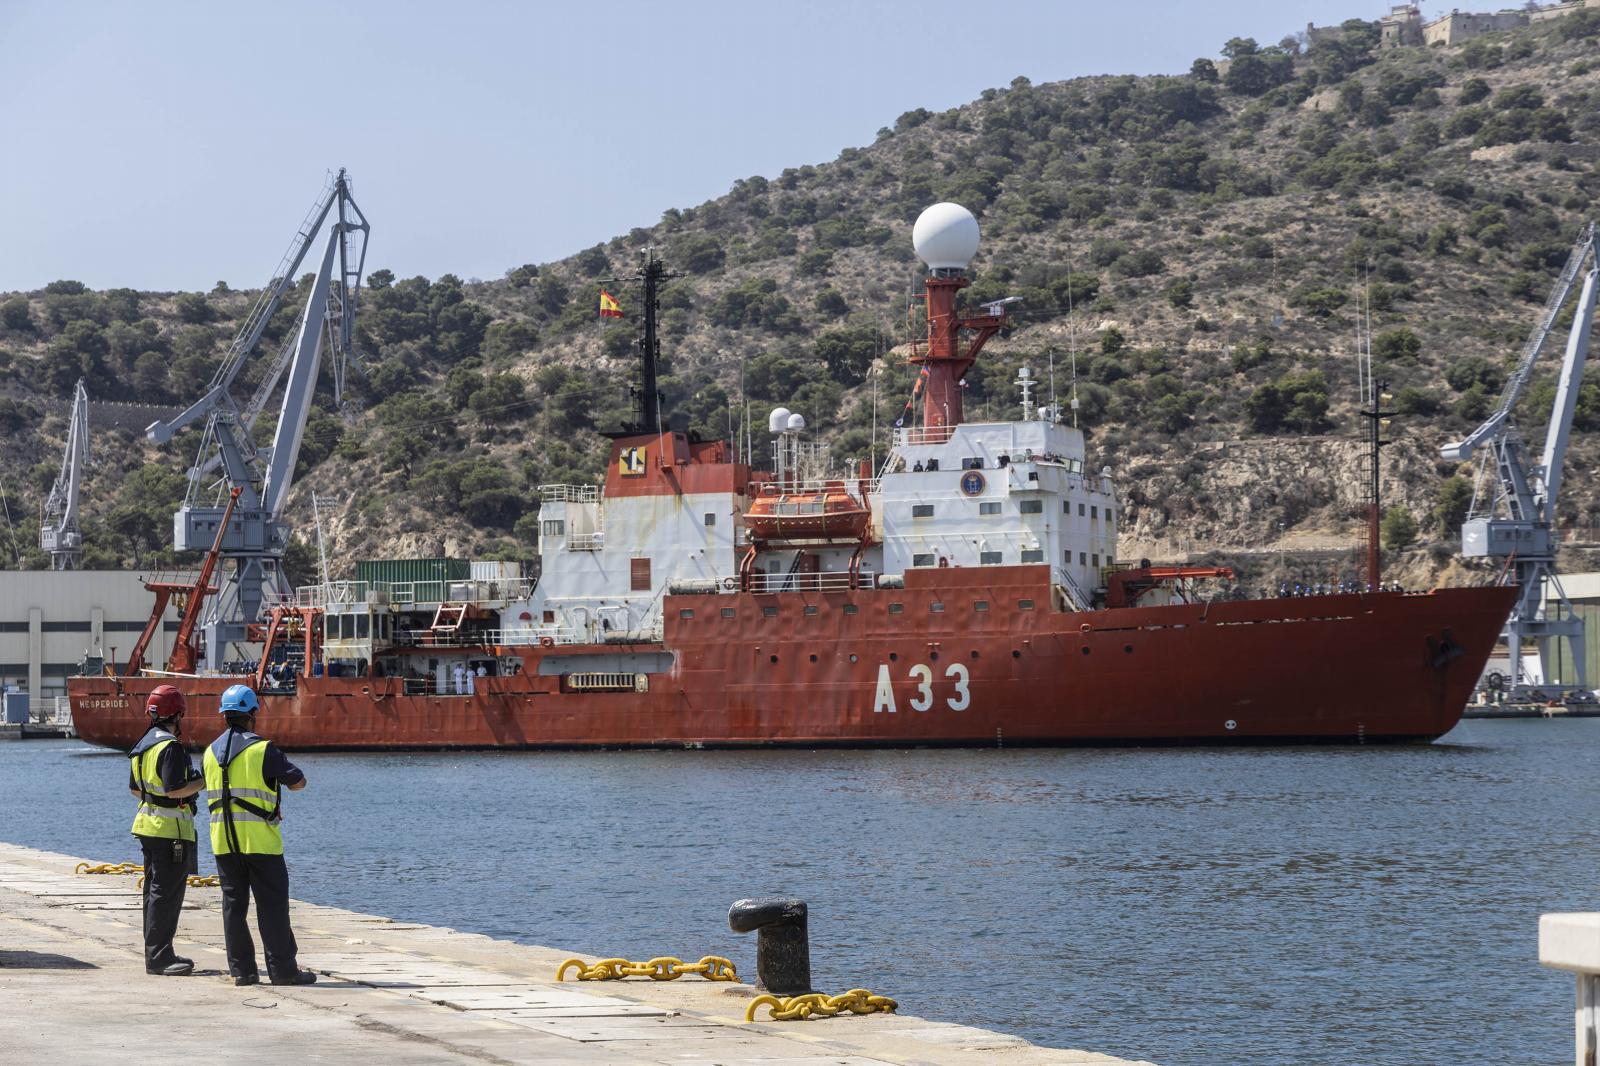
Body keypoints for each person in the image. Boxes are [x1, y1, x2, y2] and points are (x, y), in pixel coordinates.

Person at [203, 683, 317, 987]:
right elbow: (298, 782)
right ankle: (283, 971)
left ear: (224, 715)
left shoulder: (209, 752)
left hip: (223, 842)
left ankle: (242, 971)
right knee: (272, 907)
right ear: (252, 713)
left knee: (233, 906)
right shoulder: (261, 748)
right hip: (260, 843)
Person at [127, 684, 203, 976]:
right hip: (169, 831)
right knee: (166, 894)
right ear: (178, 713)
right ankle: (159, 958)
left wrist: (156, 798)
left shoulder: (143, 745)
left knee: (153, 892)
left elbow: (135, 790)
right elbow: (175, 790)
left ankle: (158, 951)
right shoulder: (170, 747)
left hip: (147, 826)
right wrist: (202, 782)